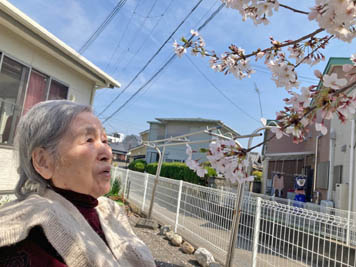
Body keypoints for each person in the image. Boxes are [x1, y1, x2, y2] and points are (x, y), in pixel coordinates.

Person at [0, 100, 156, 267]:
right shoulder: (35, 233)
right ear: (43, 161)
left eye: (104, 140)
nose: (107, 153)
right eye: (89, 139)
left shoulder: (107, 210)